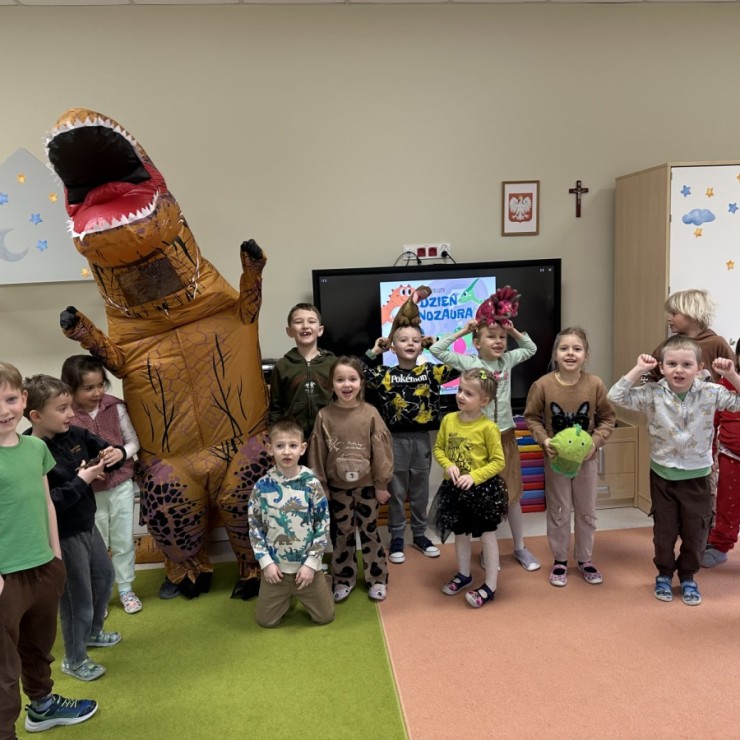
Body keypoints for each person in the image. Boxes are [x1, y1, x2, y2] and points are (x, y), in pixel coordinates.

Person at [0, 362, 97, 738]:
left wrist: (55, 557)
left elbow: (46, 503)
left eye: (10, 399)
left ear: (24, 400)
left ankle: (41, 707)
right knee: (4, 670)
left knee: (38, 648)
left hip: (43, 567)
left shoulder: (36, 448)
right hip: (6, 577)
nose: (4, 411)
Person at [608, 337, 740, 605]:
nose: (679, 370)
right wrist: (639, 369)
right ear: (662, 367)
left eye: (686, 364)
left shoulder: (711, 392)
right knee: (664, 531)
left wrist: (731, 375)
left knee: (696, 532)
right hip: (663, 477)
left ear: (699, 367)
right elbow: (615, 396)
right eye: (672, 364)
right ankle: (665, 574)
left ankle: (688, 576)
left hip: (698, 478)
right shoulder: (652, 393)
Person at [24, 375, 126, 682]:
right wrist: (82, 480)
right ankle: (75, 658)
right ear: (36, 416)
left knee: (104, 578)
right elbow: (49, 502)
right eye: (62, 409)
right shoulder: (31, 451)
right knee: (75, 598)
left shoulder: (75, 434)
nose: (71, 413)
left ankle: (92, 633)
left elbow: (107, 452)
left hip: (87, 524)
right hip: (64, 535)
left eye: (70, 406)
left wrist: (114, 454)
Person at [430, 317, 540, 572]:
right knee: (482, 498)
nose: (499, 341)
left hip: (505, 437)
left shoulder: (507, 360)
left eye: (502, 337)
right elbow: (437, 350)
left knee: (512, 496)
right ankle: (487, 551)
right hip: (478, 441)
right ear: (477, 343)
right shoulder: (470, 362)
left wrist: (513, 330)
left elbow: (531, 348)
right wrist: (463, 331)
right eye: (491, 336)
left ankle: (520, 547)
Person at [524, 327, 616, 588]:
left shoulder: (595, 384)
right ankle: (560, 559)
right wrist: (545, 440)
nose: (570, 353)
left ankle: (585, 559)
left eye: (577, 349)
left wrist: (595, 443)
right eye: (564, 348)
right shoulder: (542, 385)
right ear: (555, 353)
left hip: (586, 461)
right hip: (556, 461)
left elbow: (608, 419)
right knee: (559, 510)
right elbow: (532, 418)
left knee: (587, 511)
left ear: (586, 355)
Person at [363, 326, 459, 564]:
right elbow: (357, 372)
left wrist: (436, 346)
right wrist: (374, 351)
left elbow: (460, 366)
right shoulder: (384, 374)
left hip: (421, 439)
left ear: (421, 346)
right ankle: (397, 536)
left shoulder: (432, 371)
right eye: (404, 340)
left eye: (416, 340)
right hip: (394, 440)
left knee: (419, 492)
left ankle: (419, 534)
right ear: (393, 347)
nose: (410, 343)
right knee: (396, 492)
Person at [308, 357, 394, 603]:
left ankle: (377, 578)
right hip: (338, 489)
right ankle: (343, 578)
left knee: (370, 531)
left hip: (367, 487)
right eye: (340, 380)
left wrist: (381, 484)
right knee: (342, 533)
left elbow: (382, 451)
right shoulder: (324, 416)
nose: (347, 384)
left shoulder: (370, 413)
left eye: (352, 379)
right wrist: (322, 486)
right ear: (331, 384)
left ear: (361, 382)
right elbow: (317, 453)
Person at [61, 355, 142, 615]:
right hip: (88, 494)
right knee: (96, 545)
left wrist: (122, 453)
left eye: (100, 385)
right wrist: (82, 471)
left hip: (121, 486)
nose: (97, 393)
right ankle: (100, 593)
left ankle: (126, 587)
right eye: (88, 388)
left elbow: (133, 442)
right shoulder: (67, 415)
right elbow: (62, 456)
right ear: (71, 389)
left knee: (122, 540)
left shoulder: (115, 407)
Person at [431, 369, 508, 608]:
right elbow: (439, 449)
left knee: (486, 535)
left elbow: (498, 462)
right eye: (459, 390)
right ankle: (464, 574)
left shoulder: (488, 428)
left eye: (468, 393)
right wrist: (448, 464)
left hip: (481, 492)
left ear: (483, 401)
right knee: (460, 533)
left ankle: (491, 586)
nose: (460, 396)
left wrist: (474, 476)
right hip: (454, 490)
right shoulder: (448, 420)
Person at [248, 417, 334, 628]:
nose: (287, 452)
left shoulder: (312, 484)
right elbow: (255, 527)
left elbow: (322, 524)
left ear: (302, 448)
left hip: (307, 570)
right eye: (280, 446)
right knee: (265, 621)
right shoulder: (261, 487)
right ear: (270, 449)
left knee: (325, 617)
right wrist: (266, 563)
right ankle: (285, 596)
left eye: (293, 446)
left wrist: (311, 564)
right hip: (276, 571)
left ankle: (323, 580)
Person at [269, 303, 336, 441]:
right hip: (293, 439)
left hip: (328, 437)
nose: (305, 326)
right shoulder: (282, 366)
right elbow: (275, 408)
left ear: (320, 330)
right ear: (289, 331)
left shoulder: (333, 363)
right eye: (298, 322)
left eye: (311, 321)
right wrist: (276, 436)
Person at [703, 339, 740, 568]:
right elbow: (713, 419)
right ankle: (719, 545)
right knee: (727, 504)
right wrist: (711, 452)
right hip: (731, 455)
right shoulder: (725, 383)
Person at [648, 289, 734, 382]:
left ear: (692, 314)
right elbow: (650, 374)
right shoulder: (668, 345)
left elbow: (735, 371)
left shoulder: (716, 343)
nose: (669, 318)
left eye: (674, 313)